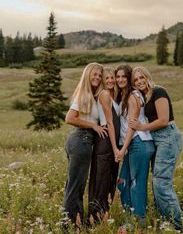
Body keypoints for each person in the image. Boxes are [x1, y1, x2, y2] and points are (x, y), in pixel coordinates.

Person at [129, 66, 183, 233]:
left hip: (167, 136)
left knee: (161, 184)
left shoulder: (158, 92)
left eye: (141, 77)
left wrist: (141, 127)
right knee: (157, 182)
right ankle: (165, 221)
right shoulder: (143, 96)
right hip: (157, 139)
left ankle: (178, 226)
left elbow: (163, 120)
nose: (139, 81)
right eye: (136, 79)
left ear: (147, 77)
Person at [63, 62, 107, 230]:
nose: (97, 77)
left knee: (75, 184)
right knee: (75, 186)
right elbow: (69, 118)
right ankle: (71, 225)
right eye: (94, 74)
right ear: (87, 75)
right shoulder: (85, 94)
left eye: (99, 75)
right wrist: (93, 126)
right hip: (81, 139)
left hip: (81, 140)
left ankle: (75, 222)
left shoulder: (92, 95)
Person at [115, 64, 155, 232]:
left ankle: (139, 224)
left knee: (136, 184)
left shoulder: (133, 95)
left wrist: (123, 149)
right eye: (118, 76)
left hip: (139, 142)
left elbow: (132, 125)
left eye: (124, 76)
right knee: (122, 182)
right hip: (134, 144)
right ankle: (130, 217)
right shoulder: (126, 95)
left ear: (128, 78)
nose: (120, 79)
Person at [88, 66, 120, 224]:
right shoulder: (105, 94)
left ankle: (103, 215)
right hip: (106, 142)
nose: (110, 80)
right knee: (101, 179)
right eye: (106, 78)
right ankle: (96, 218)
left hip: (110, 141)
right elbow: (110, 123)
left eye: (112, 77)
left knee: (108, 179)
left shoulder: (113, 95)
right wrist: (115, 148)